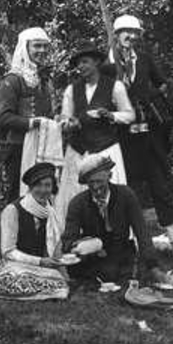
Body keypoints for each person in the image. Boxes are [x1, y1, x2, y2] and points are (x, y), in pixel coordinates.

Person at [109, 13, 173, 259]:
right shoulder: (105, 64)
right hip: (120, 137)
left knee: (161, 186)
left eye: (135, 33)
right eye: (126, 32)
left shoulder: (143, 59)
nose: (131, 37)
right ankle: (127, 244)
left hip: (149, 133)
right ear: (116, 34)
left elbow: (163, 84)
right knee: (123, 189)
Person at [54, 45, 134, 227]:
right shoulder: (71, 90)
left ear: (96, 62)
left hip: (106, 149)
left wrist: (112, 115)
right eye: (78, 64)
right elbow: (65, 119)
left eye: (85, 62)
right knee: (75, 195)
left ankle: (116, 234)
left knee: (110, 195)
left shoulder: (115, 86)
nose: (81, 67)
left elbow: (130, 115)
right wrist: (70, 124)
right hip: (78, 151)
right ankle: (75, 235)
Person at [0, 162, 70, 301]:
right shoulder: (12, 210)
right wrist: (40, 261)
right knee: (23, 278)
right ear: (30, 187)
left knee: (56, 278)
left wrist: (61, 268)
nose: (43, 190)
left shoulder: (50, 212)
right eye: (38, 185)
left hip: (27, 261)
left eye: (47, 185)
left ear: (53, 188)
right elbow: (8, 252)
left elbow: (53, 245)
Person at [61, 154, 168, 287]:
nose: (95, 187)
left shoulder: (126, 195)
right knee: (87, 272)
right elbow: (68, 240)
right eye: (91, 182)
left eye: (99, 181)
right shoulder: (78, 203)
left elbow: (142, 233)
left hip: (121, 253)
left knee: (122, 273)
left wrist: (153, 267)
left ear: (109, 176)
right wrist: (83, 247)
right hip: (92, 258)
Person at [0, 27, 58, 207]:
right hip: (18, 147)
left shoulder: (44, 79)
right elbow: (3, 118)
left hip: (42, 146)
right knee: (16, 197)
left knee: (43, 195)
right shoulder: (13, 80)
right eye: (37, 46)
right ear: (25, 48)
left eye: (45, 46)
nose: (42, 50)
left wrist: (57, 120)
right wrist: (33, 122)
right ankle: (9, 226)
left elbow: (48, 113)